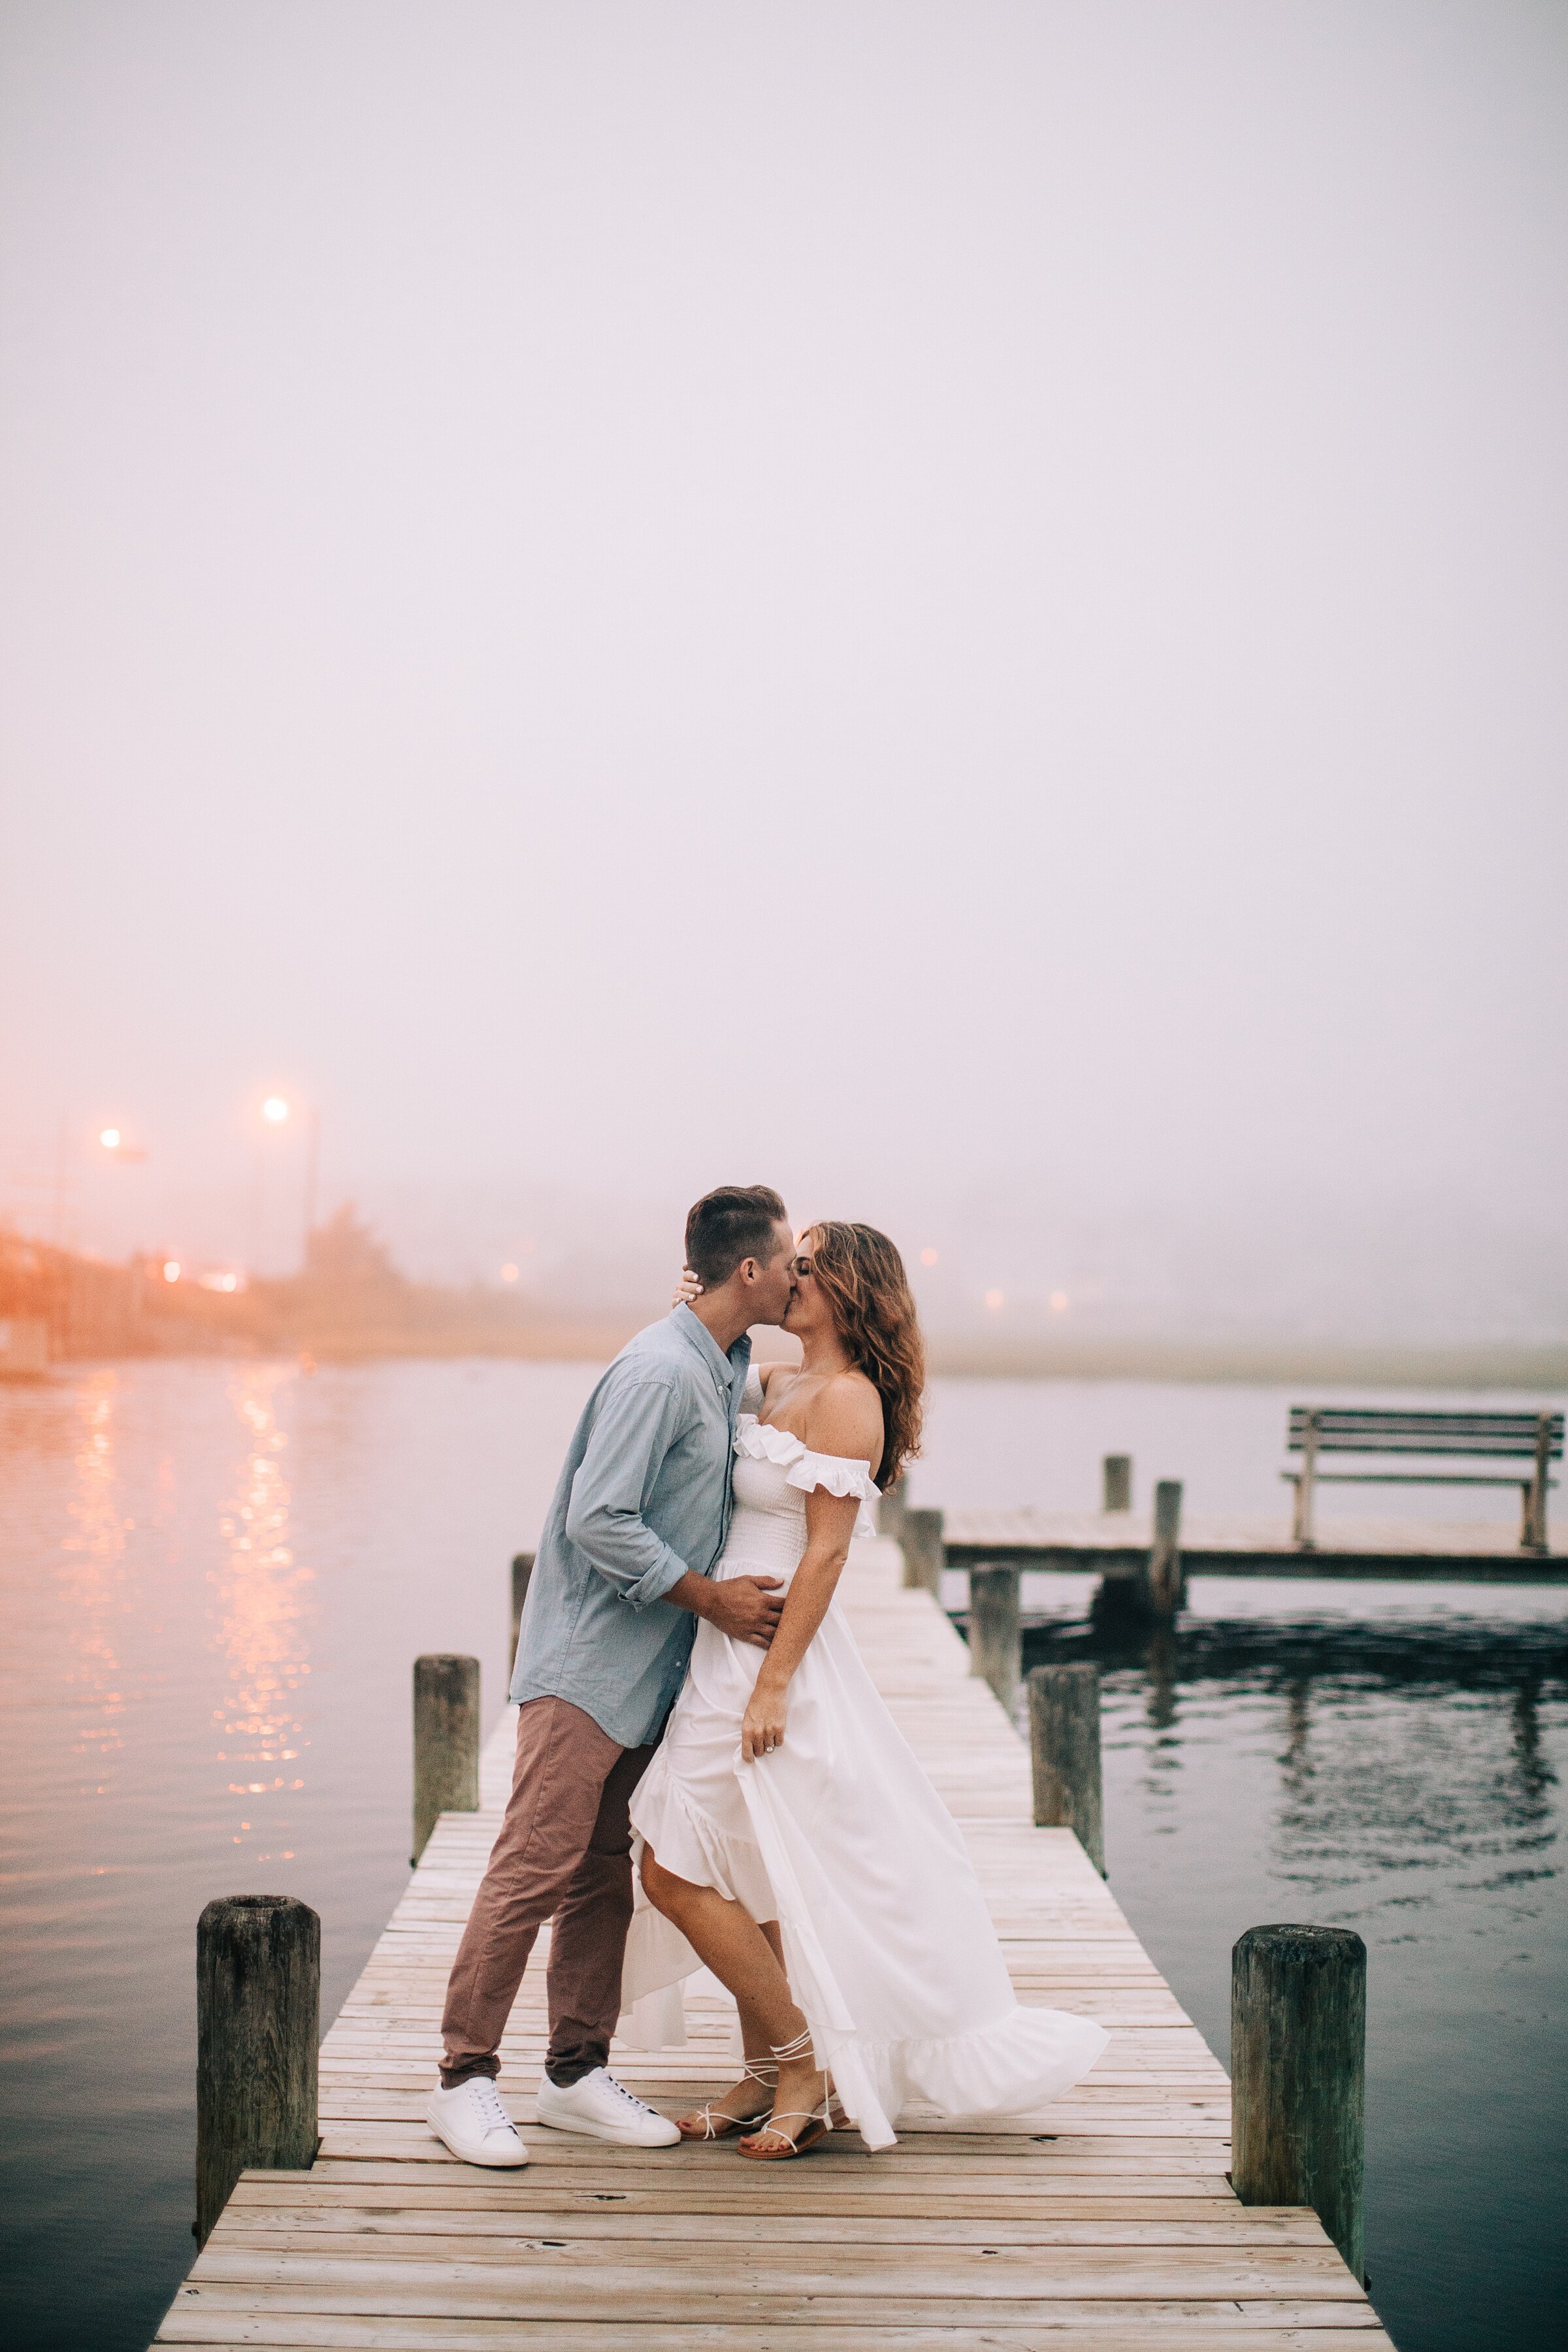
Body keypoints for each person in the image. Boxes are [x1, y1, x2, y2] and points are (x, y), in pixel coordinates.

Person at [625, 1220, 1109, 2158]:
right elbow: (690, 1387)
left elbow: (828, 1551)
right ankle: (767, 2069)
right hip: (721, 1641)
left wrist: (773, 1687)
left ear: (853, 1291)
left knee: (672, 1869)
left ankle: (804, 2060)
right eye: (792, 1262)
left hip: (776, 1655)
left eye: (811, 1266)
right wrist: (696, 1309)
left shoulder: (849, 1401)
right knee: (743, 1865)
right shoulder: (771, 1382)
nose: (793, 1277)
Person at [425, 1184, 798, 2167]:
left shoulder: (717, 1361)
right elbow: (600, 1521)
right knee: (532, 1868)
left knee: (599, 1876)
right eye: (790, 1258)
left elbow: (737, 1372)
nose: (802, 1271)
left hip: (651, 1674)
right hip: (589, 1667)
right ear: (750, 1270)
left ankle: (573, 2073)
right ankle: (463, 2081)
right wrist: (713, 1599)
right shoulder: (657, 1373)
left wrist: (710, 1311)